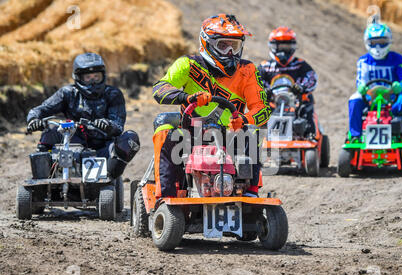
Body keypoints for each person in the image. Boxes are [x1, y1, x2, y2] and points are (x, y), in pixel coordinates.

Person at [152, 14, 272, 198]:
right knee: (165, 131)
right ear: (207, 43)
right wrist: (187, 97)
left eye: (235, 46)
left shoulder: (247, 70)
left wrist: (244, 119)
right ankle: (166, 197)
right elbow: (159, 88)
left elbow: (263, 108)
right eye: (223, 46)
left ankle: (250, 192)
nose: (230, 52)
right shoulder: (188, 64)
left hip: (231, 132)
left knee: (253, 132)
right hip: (190, 130)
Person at [26, 52, 140, 179]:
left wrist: (107, 125)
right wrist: (33, 120)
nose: (93, 82)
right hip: (71, 143)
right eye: (88, 77)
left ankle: (108, 178)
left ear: (103, 76)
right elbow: (40, 110)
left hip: (103, 147)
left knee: (130, 139)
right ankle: (43, 178)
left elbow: (118, 126)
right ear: (78, 77)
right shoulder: (67, 93)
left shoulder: (113, 94)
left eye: (96, 77)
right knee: (49, 133)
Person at [348, 22, 402, 143]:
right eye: (374, 42)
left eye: (382, 42)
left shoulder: (397, 59)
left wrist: (400, 86)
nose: (378, 47)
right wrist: (362, 88)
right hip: (370, 101)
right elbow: (360, 81)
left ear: (389, 41)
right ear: (367, 43)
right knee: (354, 99)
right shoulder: (363, 61)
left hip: (393, 99)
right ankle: (355, 136)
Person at [257, 26, 319, 139]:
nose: (284, 51)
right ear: (273, 46)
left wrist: (300, 87)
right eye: (281, 46)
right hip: (271, 102)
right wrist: (264, 91)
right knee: (256, 105)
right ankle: (254, 138)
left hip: (295, 102)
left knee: (308, 99)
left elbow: (311, 78)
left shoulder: (300, 64)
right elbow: (255, 82)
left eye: (287, 46)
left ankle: (310, 134)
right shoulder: (265, 66)